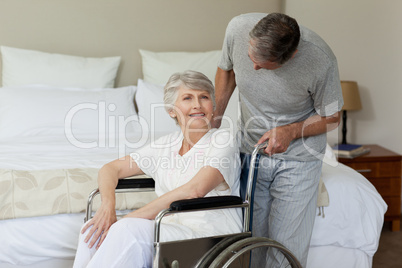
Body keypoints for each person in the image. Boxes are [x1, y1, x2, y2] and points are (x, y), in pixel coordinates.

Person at [213, 13, 343, 267]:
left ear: (291, 56)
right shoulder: (237, 28)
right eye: (251, 58)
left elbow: (333, 117)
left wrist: (291, 131)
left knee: (286, 246)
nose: (254, 69)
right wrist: (215, 119)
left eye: (263, 64)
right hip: (252, 152)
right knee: (251, 241)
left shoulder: (321, 60)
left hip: (300, 158)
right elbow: (226, 70)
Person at [73, 70, 241, 267]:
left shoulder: (222, 141)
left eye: (204, 97)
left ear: (212, 107)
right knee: (92, 229)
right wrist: (108, 206)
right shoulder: (166, 145)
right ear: (171, 110)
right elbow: (110, 169)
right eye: (188, 98)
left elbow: (195, 190)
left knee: (127, 229)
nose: (197, 104)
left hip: (210, 235)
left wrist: (124, 220)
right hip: (169, 231)